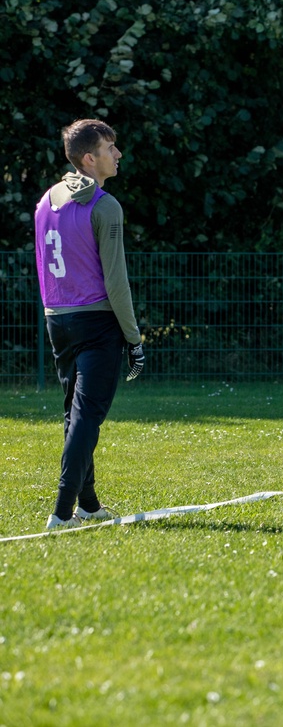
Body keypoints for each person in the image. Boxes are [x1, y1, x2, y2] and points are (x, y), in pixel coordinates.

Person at [34, 119, 145, 530]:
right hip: (97, 323)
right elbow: (117, 283)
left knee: (74, 415)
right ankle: (62, 513)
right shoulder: (105, 205)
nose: (117, 154)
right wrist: (134, 340)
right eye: (110, 147)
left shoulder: (47, 200)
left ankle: (89, 505)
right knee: (86, 417)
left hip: (57, 320)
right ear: (89, 158)